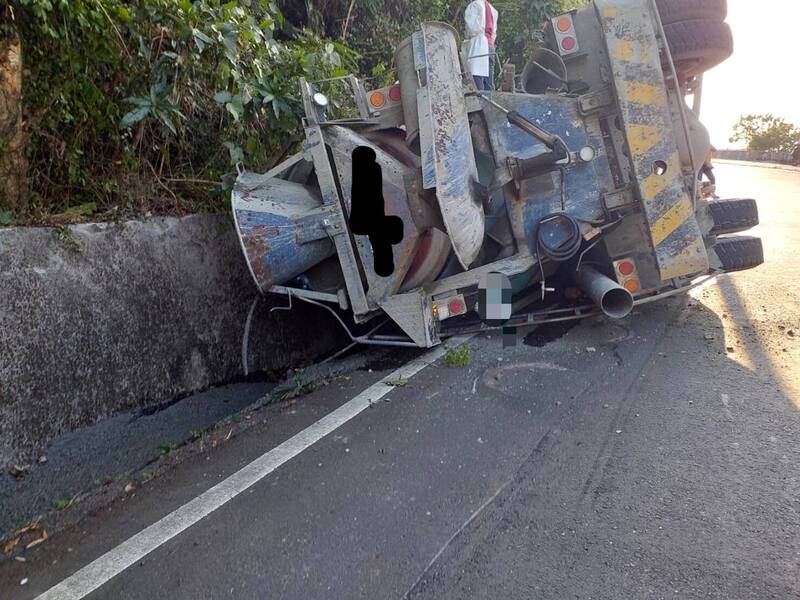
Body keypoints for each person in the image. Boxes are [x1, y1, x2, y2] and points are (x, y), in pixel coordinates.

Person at [462, 0, 498, 91]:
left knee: (476, 74)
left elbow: (472, 28)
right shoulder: (493, 10)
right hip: (490, 46)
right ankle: (490, 101)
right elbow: (494, 32)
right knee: (488, 80)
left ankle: (480, 100)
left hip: (479, 43)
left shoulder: (475, 5)